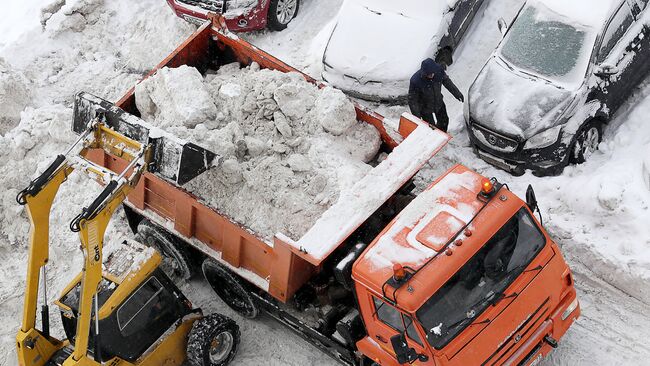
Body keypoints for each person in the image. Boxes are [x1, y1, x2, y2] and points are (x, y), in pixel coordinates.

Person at [408, 58, 464, 132]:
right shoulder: (415, 80)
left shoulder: (439, 71)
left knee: (444, 122)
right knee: (430, 128)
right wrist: (417, 117)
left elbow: (447, 82)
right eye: (428, 74)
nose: (431, 76)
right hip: (425, 107)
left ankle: (442, 137)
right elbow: (412, 100)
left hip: (438, 102)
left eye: (432, 73)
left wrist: (457, 93)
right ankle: (432, 140)